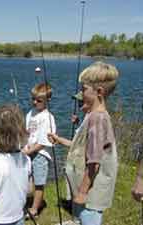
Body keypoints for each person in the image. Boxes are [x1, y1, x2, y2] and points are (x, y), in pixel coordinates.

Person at [61, 61, 119, 225]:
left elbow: (94, 162)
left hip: (90, 196)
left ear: (99, 92)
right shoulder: (94, 116)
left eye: (84, 89)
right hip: (86, 192)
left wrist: (82, 192)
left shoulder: (97, 119)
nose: (81, 93)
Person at [22, 83, 56, 217]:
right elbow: (26, 132)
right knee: (25, 179)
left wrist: (29, 151)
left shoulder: (48, 117)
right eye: (33, 99)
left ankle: (34, 209)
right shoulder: (31, 113)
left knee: (39, 182)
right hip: (28, 151)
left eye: (39, 100)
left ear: (48, 101)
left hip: (40, 154)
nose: (35, 102)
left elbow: (44, 141)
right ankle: (26, 203)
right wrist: (23, 146)